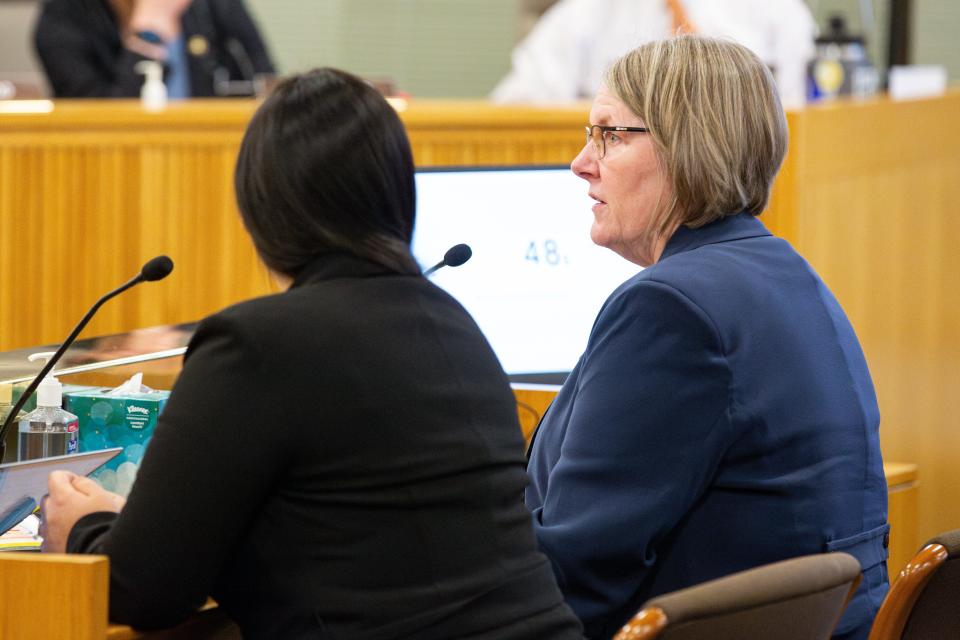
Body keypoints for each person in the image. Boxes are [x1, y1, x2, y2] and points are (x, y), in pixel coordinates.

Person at [39, 68, 584, 640]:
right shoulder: (455, 325)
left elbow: (141, 590)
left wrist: (85, 525)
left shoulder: (257, 344)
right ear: (399, 197)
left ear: (259, 206)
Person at [525, 35, 888, 640]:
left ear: (685, 145)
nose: (581, 162)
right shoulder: (786, 272)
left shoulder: (669, 308)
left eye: (608, 135)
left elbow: (575, 574)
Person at [492, 0, 817, 107]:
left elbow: (796, 116)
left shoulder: (778, 10)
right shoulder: (590, 10)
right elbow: (517, 107)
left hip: (740, 190)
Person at [34, 0, 274, 98]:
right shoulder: (62, 21)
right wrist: (148, 35)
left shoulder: (210, 6)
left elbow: (266, 79)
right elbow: (102, 123)